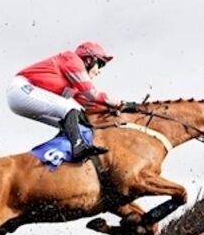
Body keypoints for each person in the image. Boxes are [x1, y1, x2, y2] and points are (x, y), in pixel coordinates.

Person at [7, 41, 138, 161]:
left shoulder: (73, 84)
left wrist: (110, 110)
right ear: (89, 60)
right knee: (70, 108)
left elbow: (88, 105)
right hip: (21, 88)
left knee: (77, 119)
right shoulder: (73, 60)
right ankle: (78, 148)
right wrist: (122, 104)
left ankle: (56, 156)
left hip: (23, 98)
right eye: (100, 64)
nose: (99, 72)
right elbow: (92, 94)